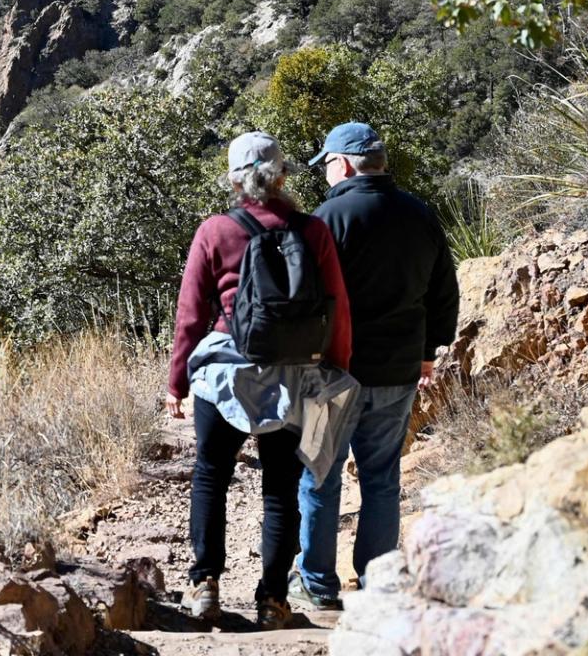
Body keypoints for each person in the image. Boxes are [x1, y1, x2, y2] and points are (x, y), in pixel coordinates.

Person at [167, 131, 353, 631]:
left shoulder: (215, 231)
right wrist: (334, 368)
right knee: (280, 486)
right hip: (294, 376)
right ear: (284, 175)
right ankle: (272, 599)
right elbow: (335, 307)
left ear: (233, 180)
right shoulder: (312, 231)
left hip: (225, 372)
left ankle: (204, 584)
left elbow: (190, 313)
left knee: (210, 475)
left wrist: (178, 381)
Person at [291, 122, 460, 611]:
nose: (325, 172)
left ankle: (317, 584)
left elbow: (304, 296)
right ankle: (378, 584)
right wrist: (430, 350)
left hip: (333, 373)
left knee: (319, 475)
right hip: (400, 368)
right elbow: (443, 290)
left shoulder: (329, 218)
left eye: (326, 163)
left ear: (343, 164)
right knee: (382, 477)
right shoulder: (419, 214)